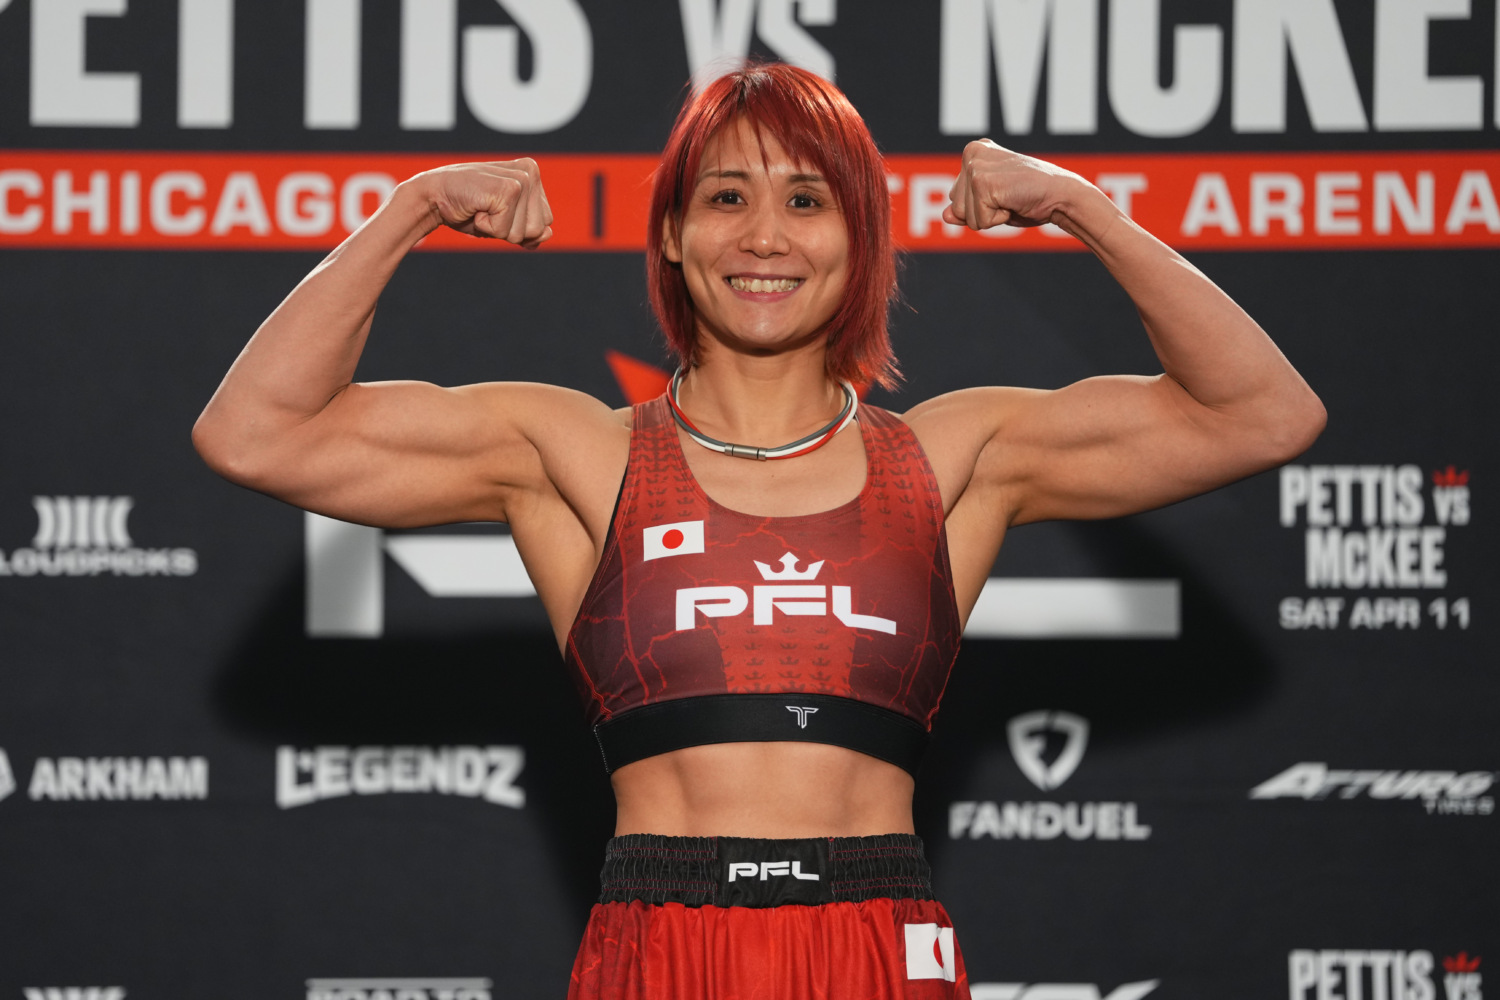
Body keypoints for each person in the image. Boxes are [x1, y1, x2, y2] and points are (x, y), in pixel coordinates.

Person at [194, 62, 1324, 999]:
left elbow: (1264, 414)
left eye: (809, 201)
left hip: (877, 939)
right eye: (727, 198)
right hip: (661, 938)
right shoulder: (575, 452)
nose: (766, 237)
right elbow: (256, 434)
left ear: (861, 238)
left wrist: (1083, 208)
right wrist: (412, 210)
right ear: (673, 234)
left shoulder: (951, 458)